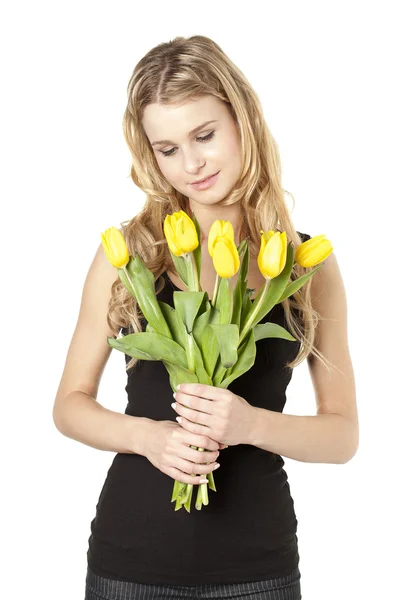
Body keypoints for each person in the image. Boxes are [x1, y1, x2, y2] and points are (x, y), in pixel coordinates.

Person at [52, 35, 359, 600]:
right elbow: (69, 405)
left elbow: (342, 436)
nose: (190, 165)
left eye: (205, 135)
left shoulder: (304, 264)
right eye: (167, 149)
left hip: (258, 568)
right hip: (130, 562)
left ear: (242, 119)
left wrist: (250, 425)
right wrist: (147, 438)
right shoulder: (131, 253)